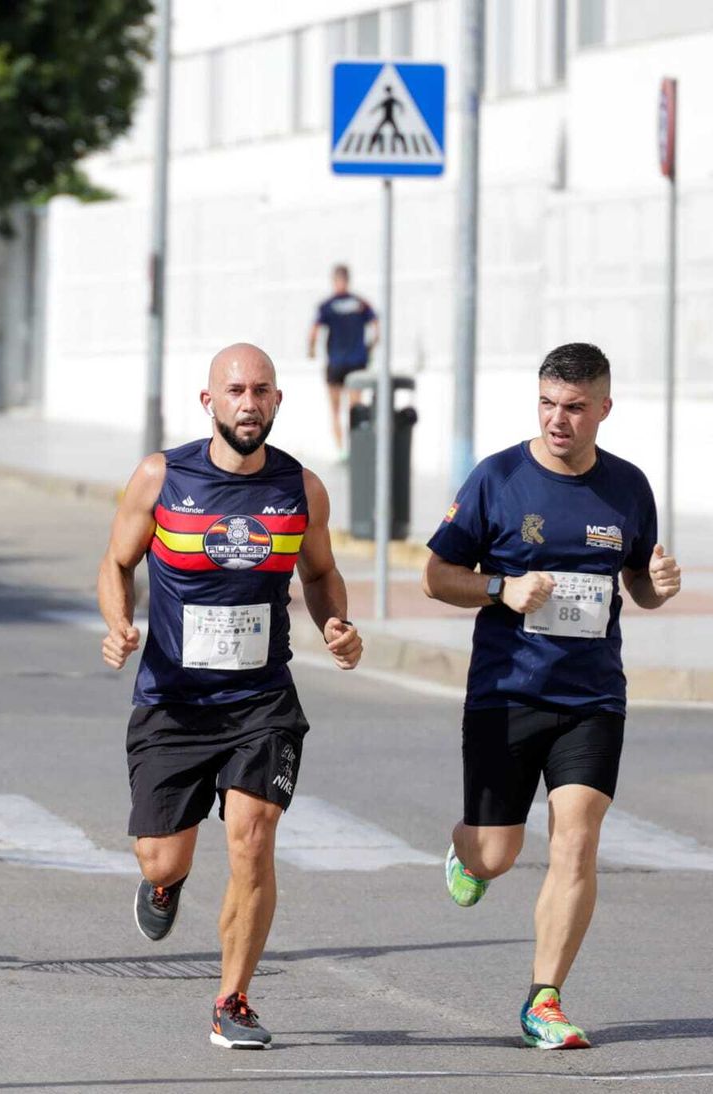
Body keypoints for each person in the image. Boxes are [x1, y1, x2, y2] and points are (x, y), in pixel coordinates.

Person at [98, 343, 363, 1050]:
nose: (249, 403)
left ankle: (233, 999)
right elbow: (117, 563)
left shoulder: (301, 488)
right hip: (173, 701)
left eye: (261, 390)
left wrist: (336, 624)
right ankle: (165, 883)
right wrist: (119, 624)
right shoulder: (161, 477)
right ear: (208, 401)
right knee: (161, 857)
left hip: (261, 701)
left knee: (252, 837)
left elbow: (320, 573)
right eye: (236, 390)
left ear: (277, 401)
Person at [423, 342, 680, 1050]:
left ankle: (545, 999)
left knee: (578, 838)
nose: (557, 419)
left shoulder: (627, 487)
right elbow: (437, 575)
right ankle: (467, 853)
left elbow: (639, 582)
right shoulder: (498, 478)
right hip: (506, 693)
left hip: (593, 698)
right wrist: (500, 588)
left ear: (603, 408)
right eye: (546, 404)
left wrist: (658, 585)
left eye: (573, 407)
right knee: (497, 854)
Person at [306, 264, 377, 458]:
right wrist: (371, 346)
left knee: (335, 410)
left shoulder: (327, 305)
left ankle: (341, 451)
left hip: (336, 363)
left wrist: (311, 349)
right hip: (357, 362)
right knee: (355, 408)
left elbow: (314, 330)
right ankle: (355, 448)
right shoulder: (361, 304)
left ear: (334, 280)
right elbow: (376, 325)